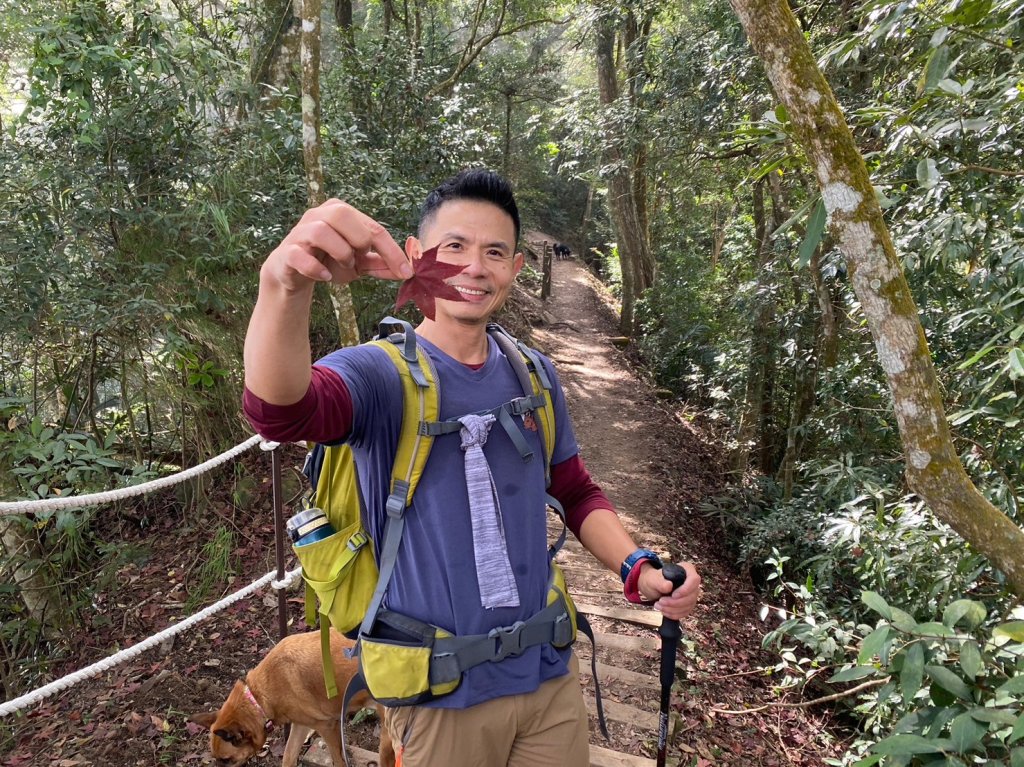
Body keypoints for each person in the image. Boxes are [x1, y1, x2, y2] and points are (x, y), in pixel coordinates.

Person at [242, 168, 701, 767]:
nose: (475, 267)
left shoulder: (533, 374)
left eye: (495, 252)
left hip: (547, 677)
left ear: (516, 267)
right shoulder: (378, 375)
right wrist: (284, 286)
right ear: (415, 255)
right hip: (439, 697)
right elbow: (281, 412)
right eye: (454, 246)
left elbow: (573, 489)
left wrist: (636, 566)